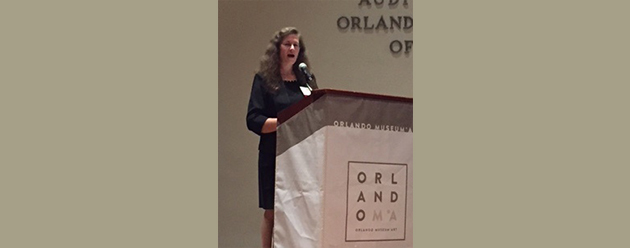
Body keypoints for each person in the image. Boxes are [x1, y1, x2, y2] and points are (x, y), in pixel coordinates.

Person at [246, 27, 318, 248]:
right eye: (288, 44)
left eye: (296, 45)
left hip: (301, 155)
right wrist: (283, 124)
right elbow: (253, 119)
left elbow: (316, 111)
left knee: (299, 207)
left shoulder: (306, 81)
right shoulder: (264, 80)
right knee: (272, 212)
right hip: (274, 153)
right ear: (277, 49)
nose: (293, 49)